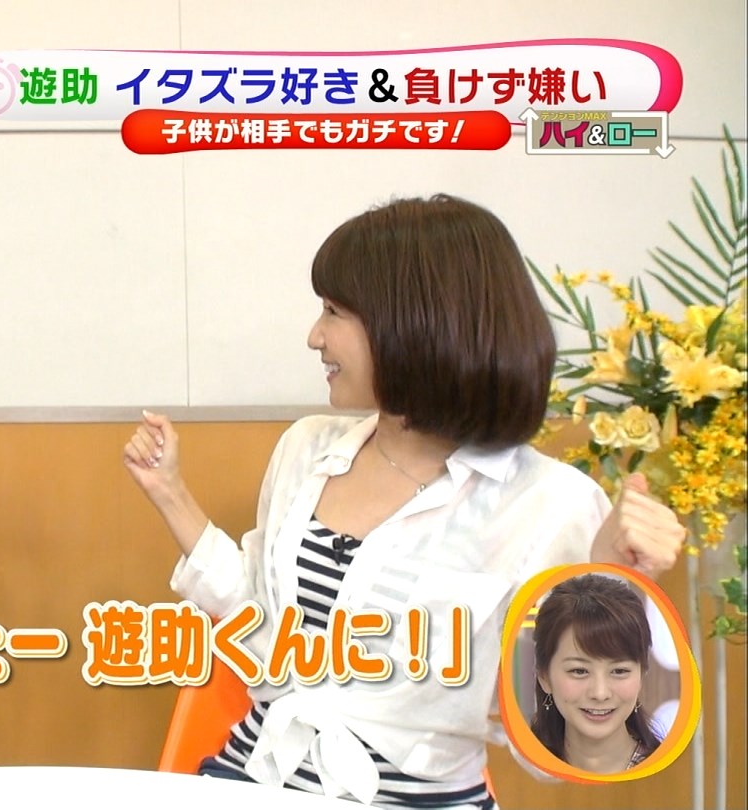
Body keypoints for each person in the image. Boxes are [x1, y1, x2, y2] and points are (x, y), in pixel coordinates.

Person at [122, 195, 684, 809]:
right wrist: (171, 494)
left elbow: (562, 749)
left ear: (415, 325)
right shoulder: (307, 448)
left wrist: (614, 582)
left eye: (334, 311)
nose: (314, 336)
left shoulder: (551, 504)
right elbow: (258, 630)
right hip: (251, 782)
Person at [530, 574, 663, 773]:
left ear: (641, 674)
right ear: (544, 677)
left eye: (619, 671)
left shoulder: (673, 776)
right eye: (579, 671)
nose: (600, 694)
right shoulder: (521, 773)